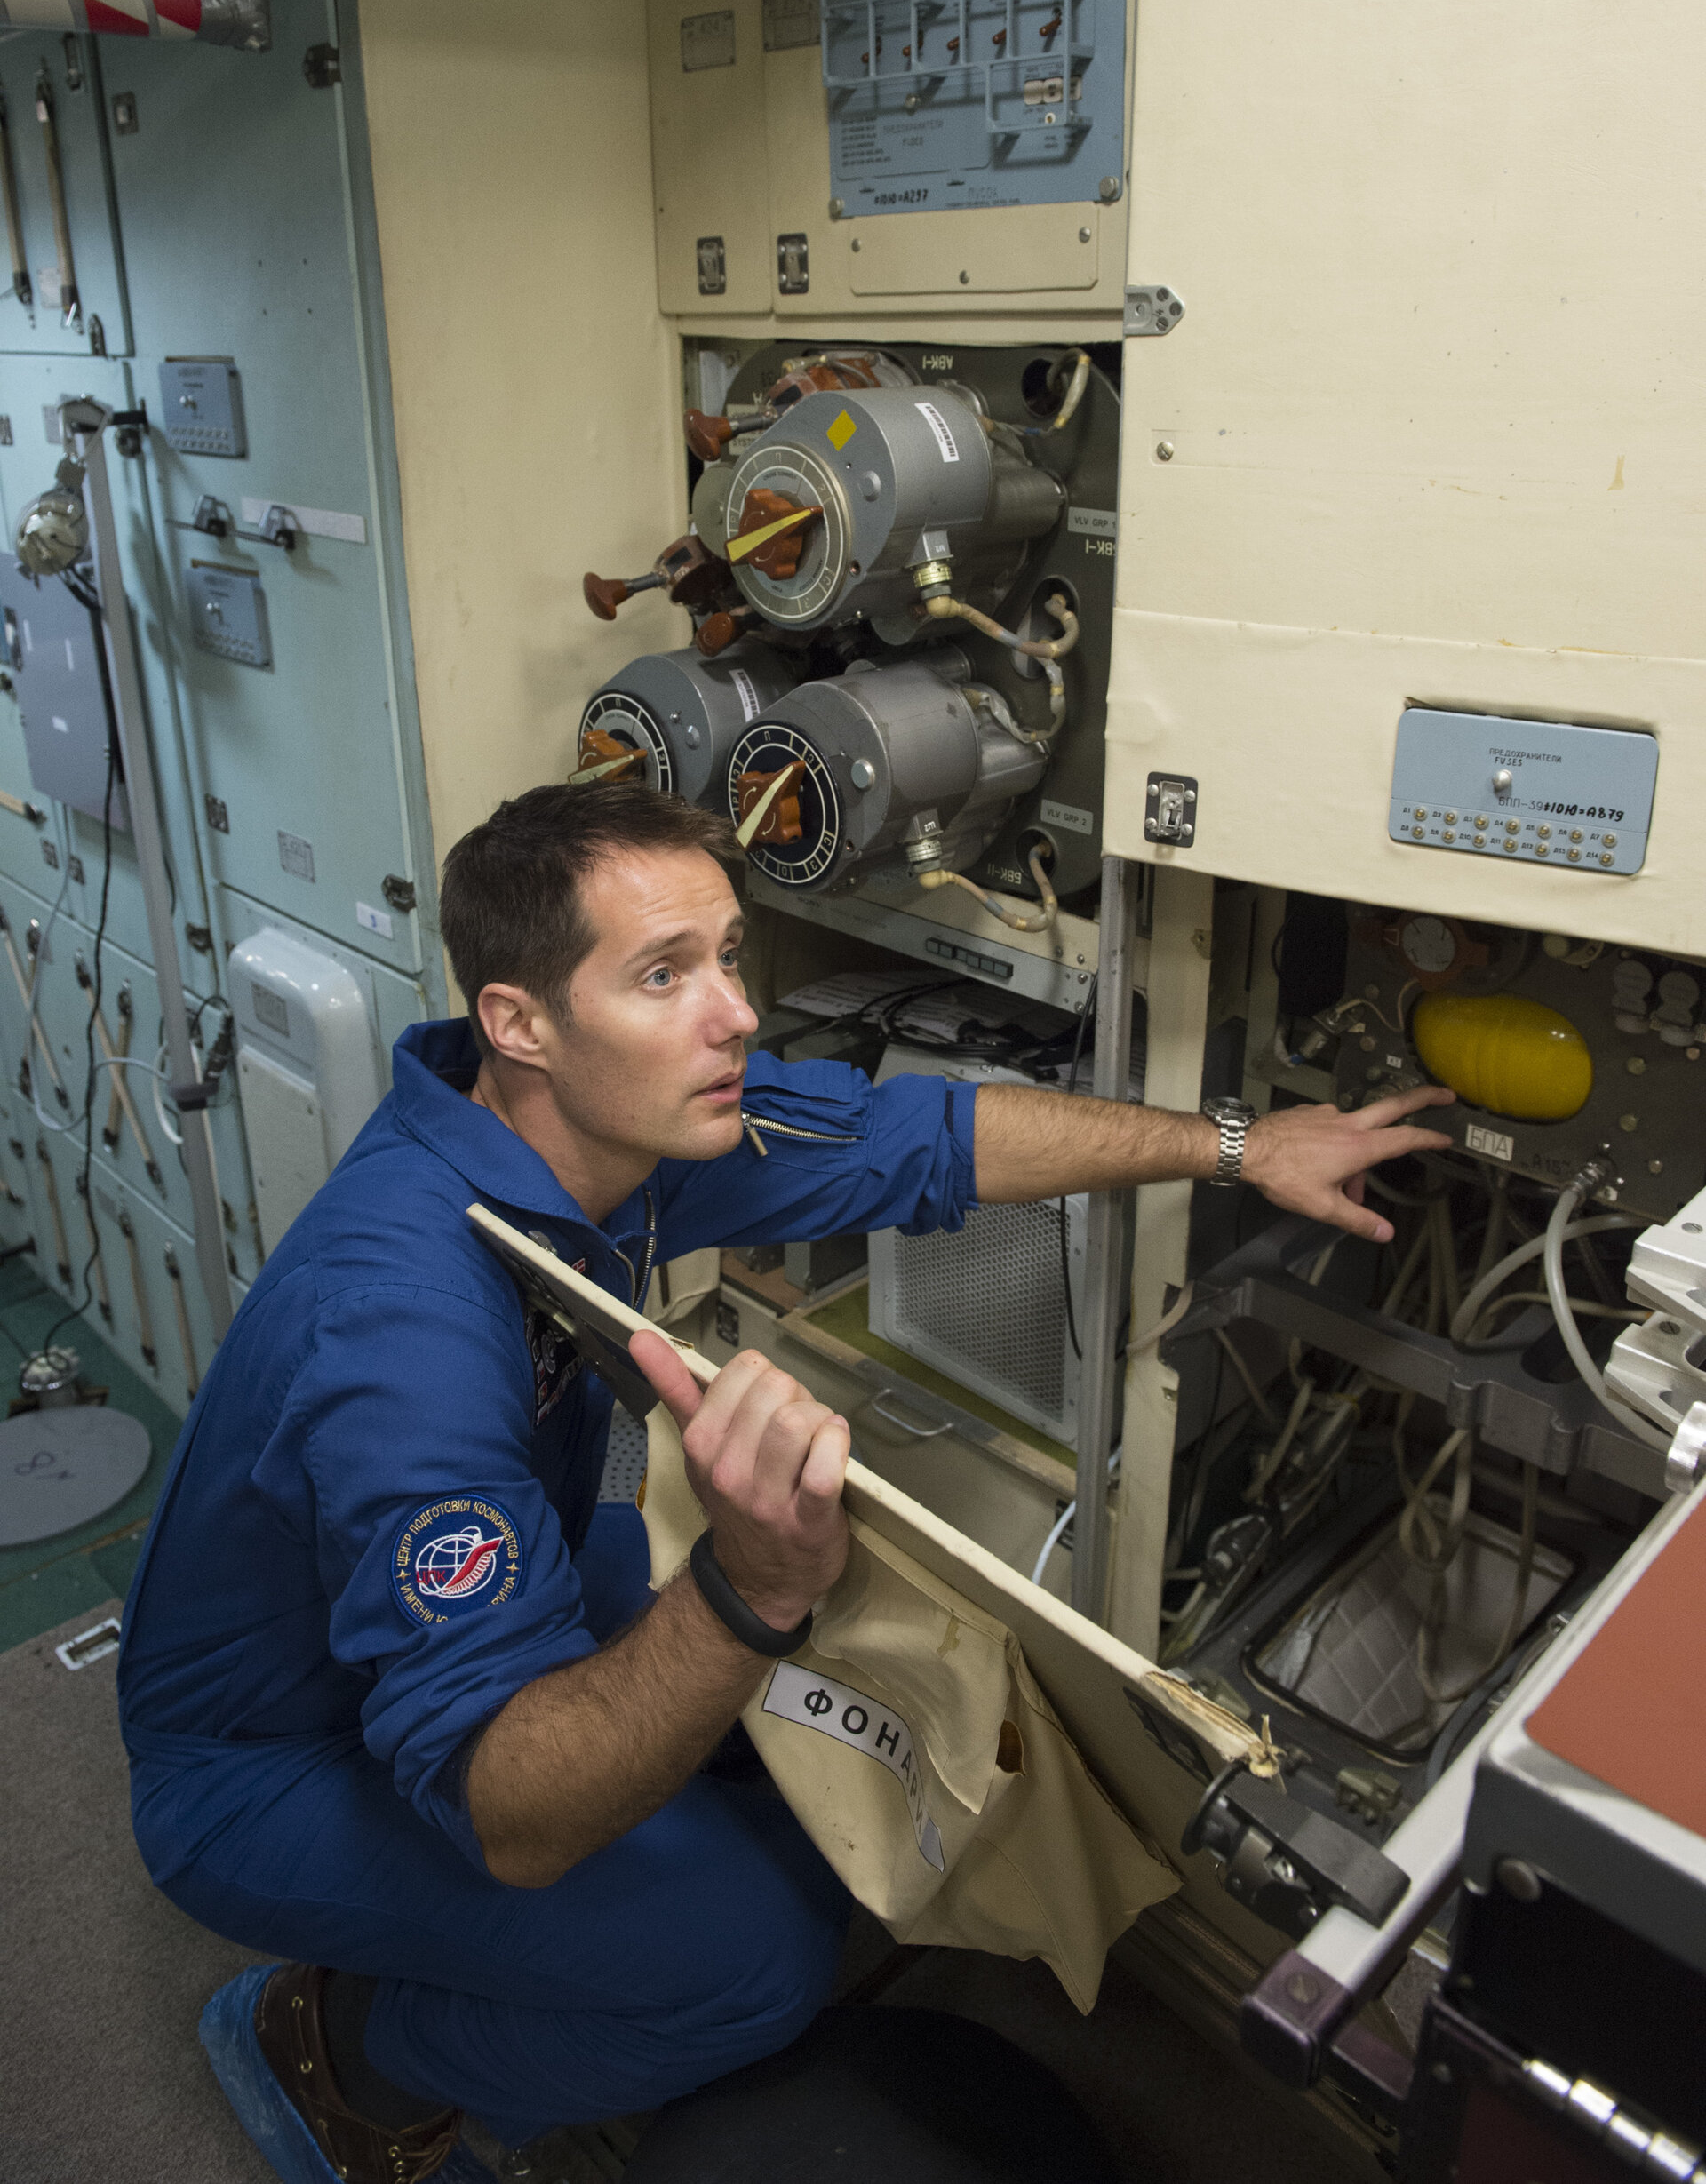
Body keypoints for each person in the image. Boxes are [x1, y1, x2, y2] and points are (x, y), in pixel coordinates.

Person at [118, 782, 1450, 2184]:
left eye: (729, 956)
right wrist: (747, 1591)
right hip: (265, 1765)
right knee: (754, 1957)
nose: (737, 1012)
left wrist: (1244, 1147)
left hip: (449, 1627)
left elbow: (928, 1142)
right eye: (662, 975)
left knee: (825, 1745)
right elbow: (508, 1809)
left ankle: (555, 1944)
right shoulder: (398, 1334)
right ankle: (357, 2053)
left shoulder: (589, 1134)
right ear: (519, 1023)